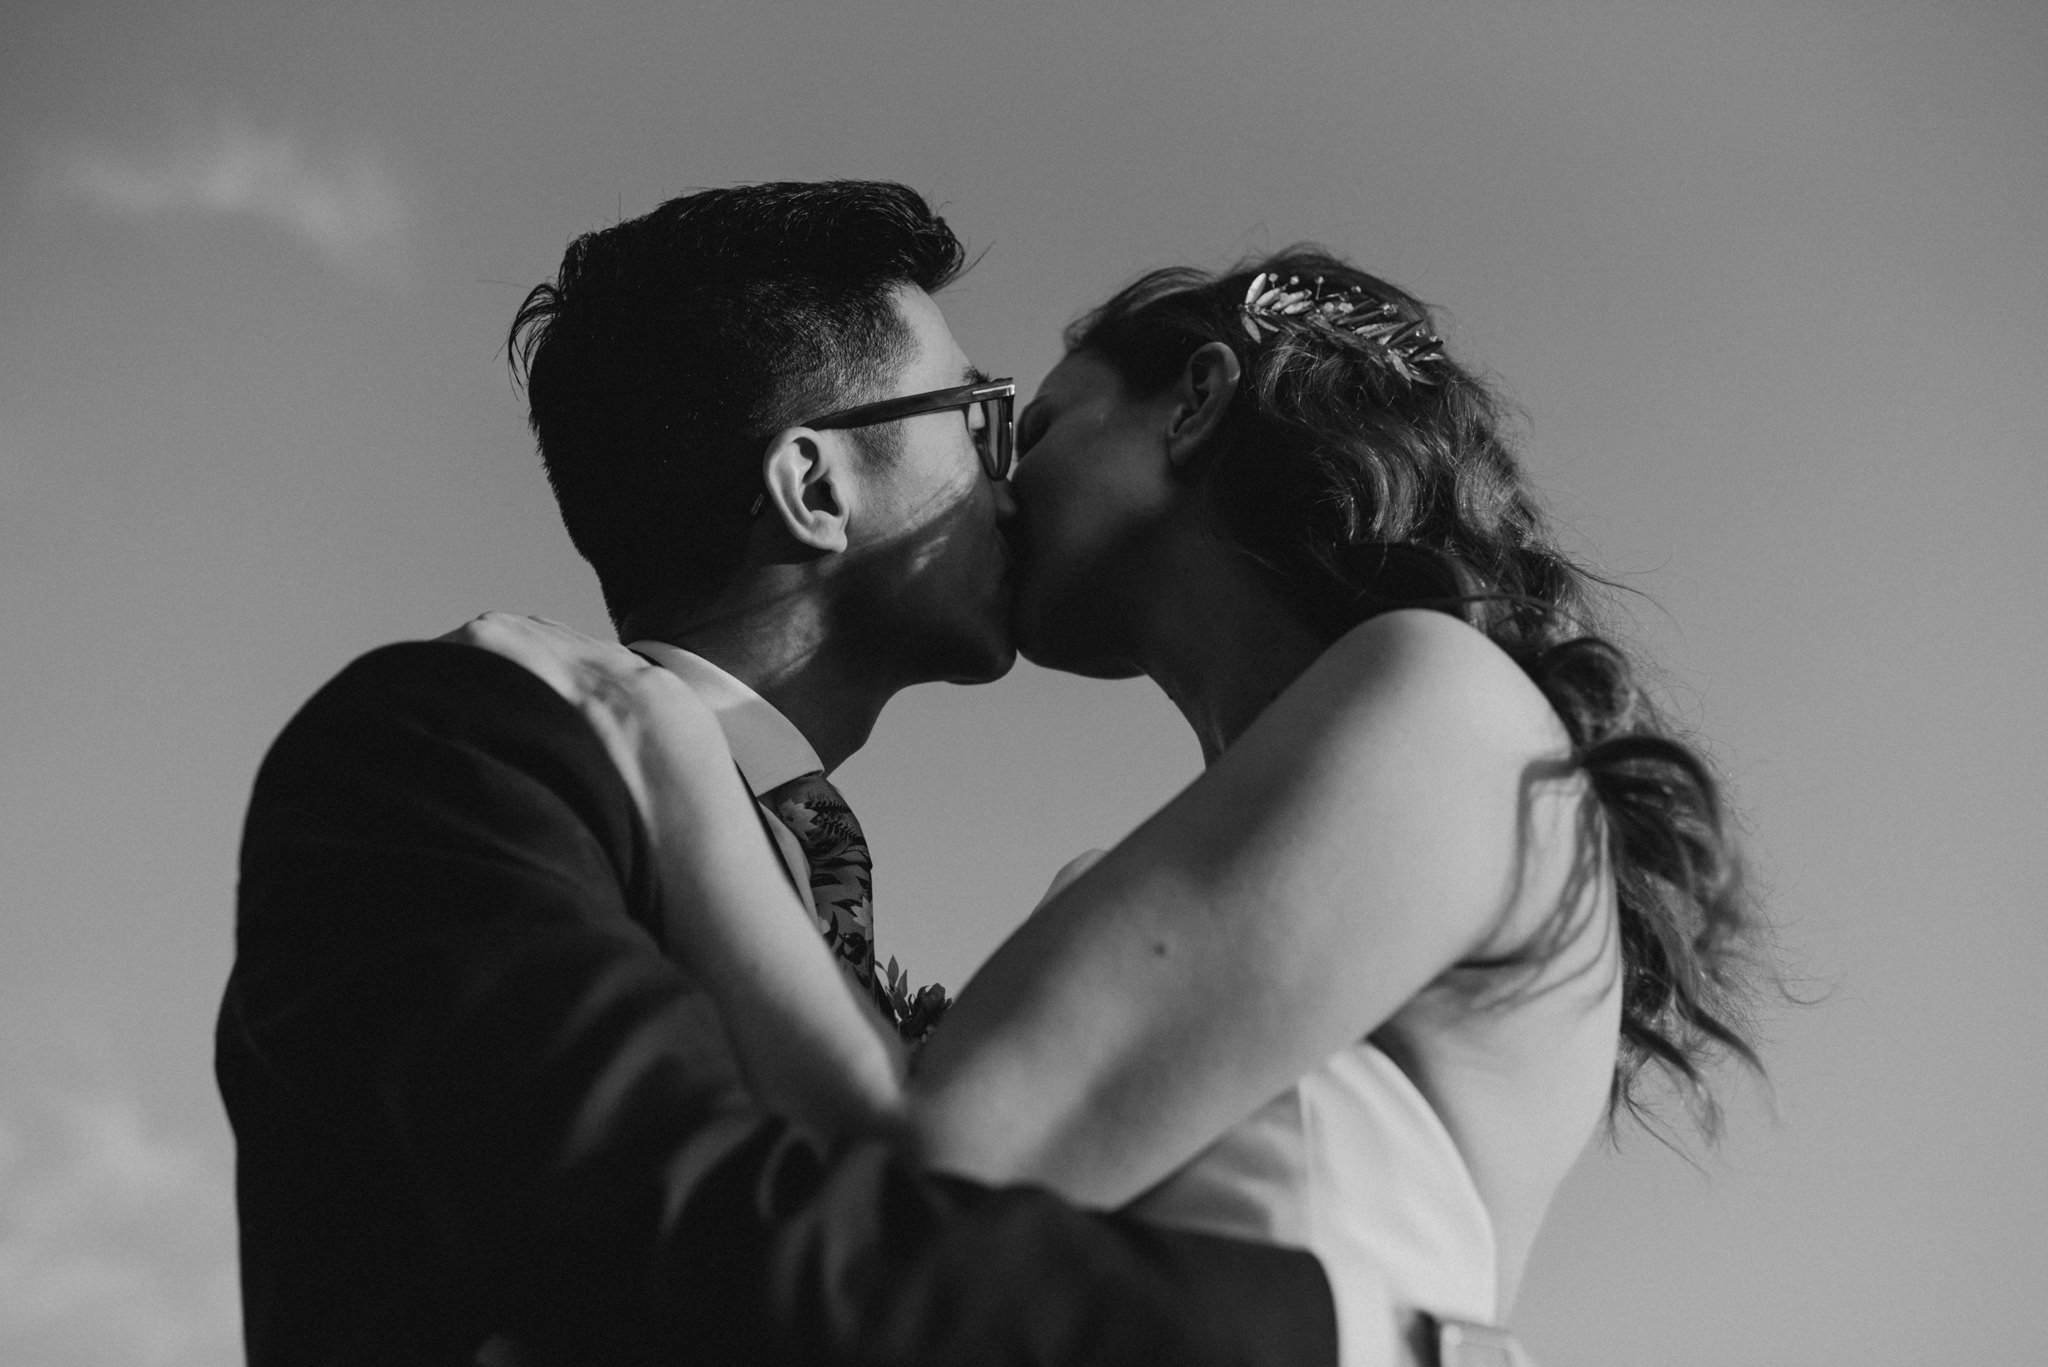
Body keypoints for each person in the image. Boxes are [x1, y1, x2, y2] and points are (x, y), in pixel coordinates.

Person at [473, 252, 1763, 1364]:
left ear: (1192, 402)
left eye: (1033, 432)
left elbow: (925, 1184)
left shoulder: (1443, 699)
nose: (996, 490)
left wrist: (664, 754)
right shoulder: (1234, 831)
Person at [214, 184, 1363, 1367]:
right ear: (815, 486)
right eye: (977, 419)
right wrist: (1356, 1336)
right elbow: (691, 1249)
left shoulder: (780, 855)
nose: (1012, 484)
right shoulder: (451, 747)